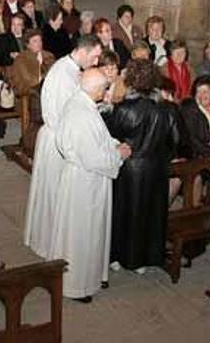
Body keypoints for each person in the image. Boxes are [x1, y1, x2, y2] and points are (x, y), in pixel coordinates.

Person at [50, 69, 130, 301]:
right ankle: (77, 285)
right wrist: (119, 155)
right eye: (105, 88)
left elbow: (99, 139)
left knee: (92, 231)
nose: (106, 93)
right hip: (85, 182)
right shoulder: (82, 113)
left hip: (87, 179)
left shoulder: (81, 102)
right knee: (81, 233)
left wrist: (113, 145)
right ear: (95, 89)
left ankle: (93, 275)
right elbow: (92, 157)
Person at [24, 35, 103, 259]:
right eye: (95, 56)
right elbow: (67, 117)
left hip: (58, 136)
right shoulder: (64, 74)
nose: (96, 62)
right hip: (58, 141)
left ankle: (51, 242)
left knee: (54, 194)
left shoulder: (69, 69)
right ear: (84, 51)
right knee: (55, 195)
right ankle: (53, 246)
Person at [106, 59, 178, 274]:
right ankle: (146, 259)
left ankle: (118, 257)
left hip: (128, 169)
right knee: (151, 214)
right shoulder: (167, 109)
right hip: (155, 168)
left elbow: (111, 137)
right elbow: (176, 141)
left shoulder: (123, 109)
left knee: (123, 214)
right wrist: (162, 156)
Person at [8, 29, 56, 155]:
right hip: (27, 96)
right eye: (34, 41)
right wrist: (42, 70)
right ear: (27, 44)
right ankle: (31, 142)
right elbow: (28, 81)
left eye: (40, 40)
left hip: (48, 93)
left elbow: (56, 74)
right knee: (38, 101)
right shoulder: (21, 59)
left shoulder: (48, 56)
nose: (38, 43)